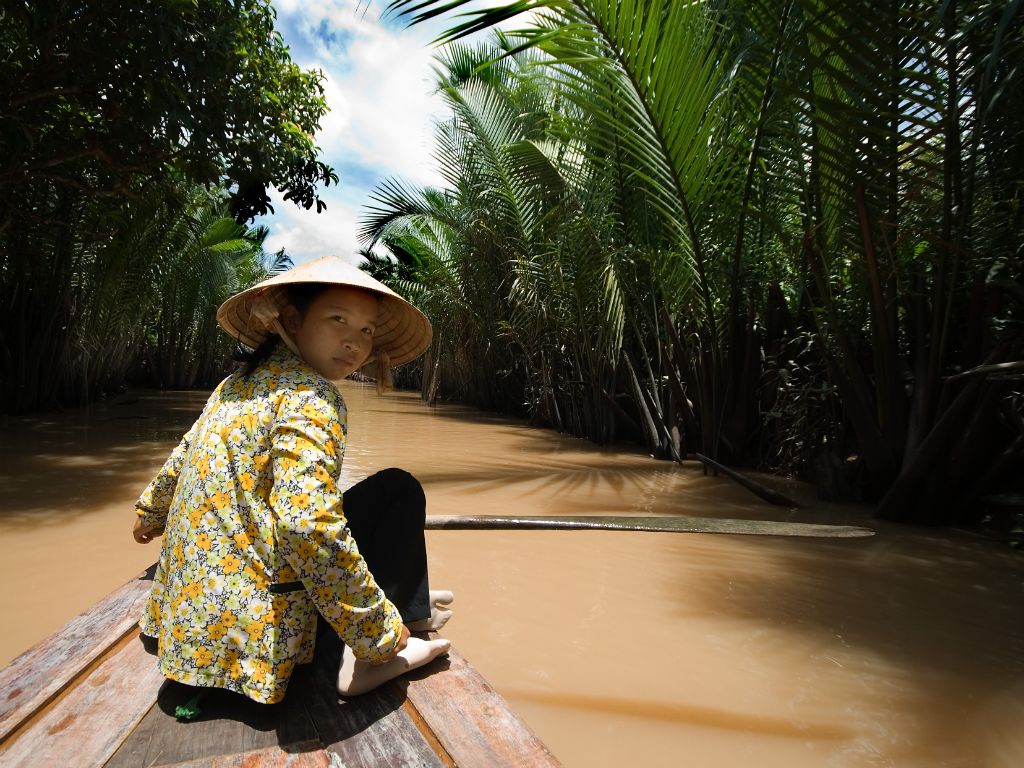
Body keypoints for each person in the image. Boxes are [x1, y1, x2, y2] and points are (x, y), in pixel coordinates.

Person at [131, 255, 452, 704]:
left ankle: (406, 607)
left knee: (370, 496)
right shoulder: (313, 396)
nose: (354, 342)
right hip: (256, 633)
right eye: (337, 319)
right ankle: (363, 654)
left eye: (366, 330)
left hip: (187, 619)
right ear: (293, 319)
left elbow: (182, 455)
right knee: (398, 490)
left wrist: (150, 513)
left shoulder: (234, 384)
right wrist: (379, 634)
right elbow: (307, 525)